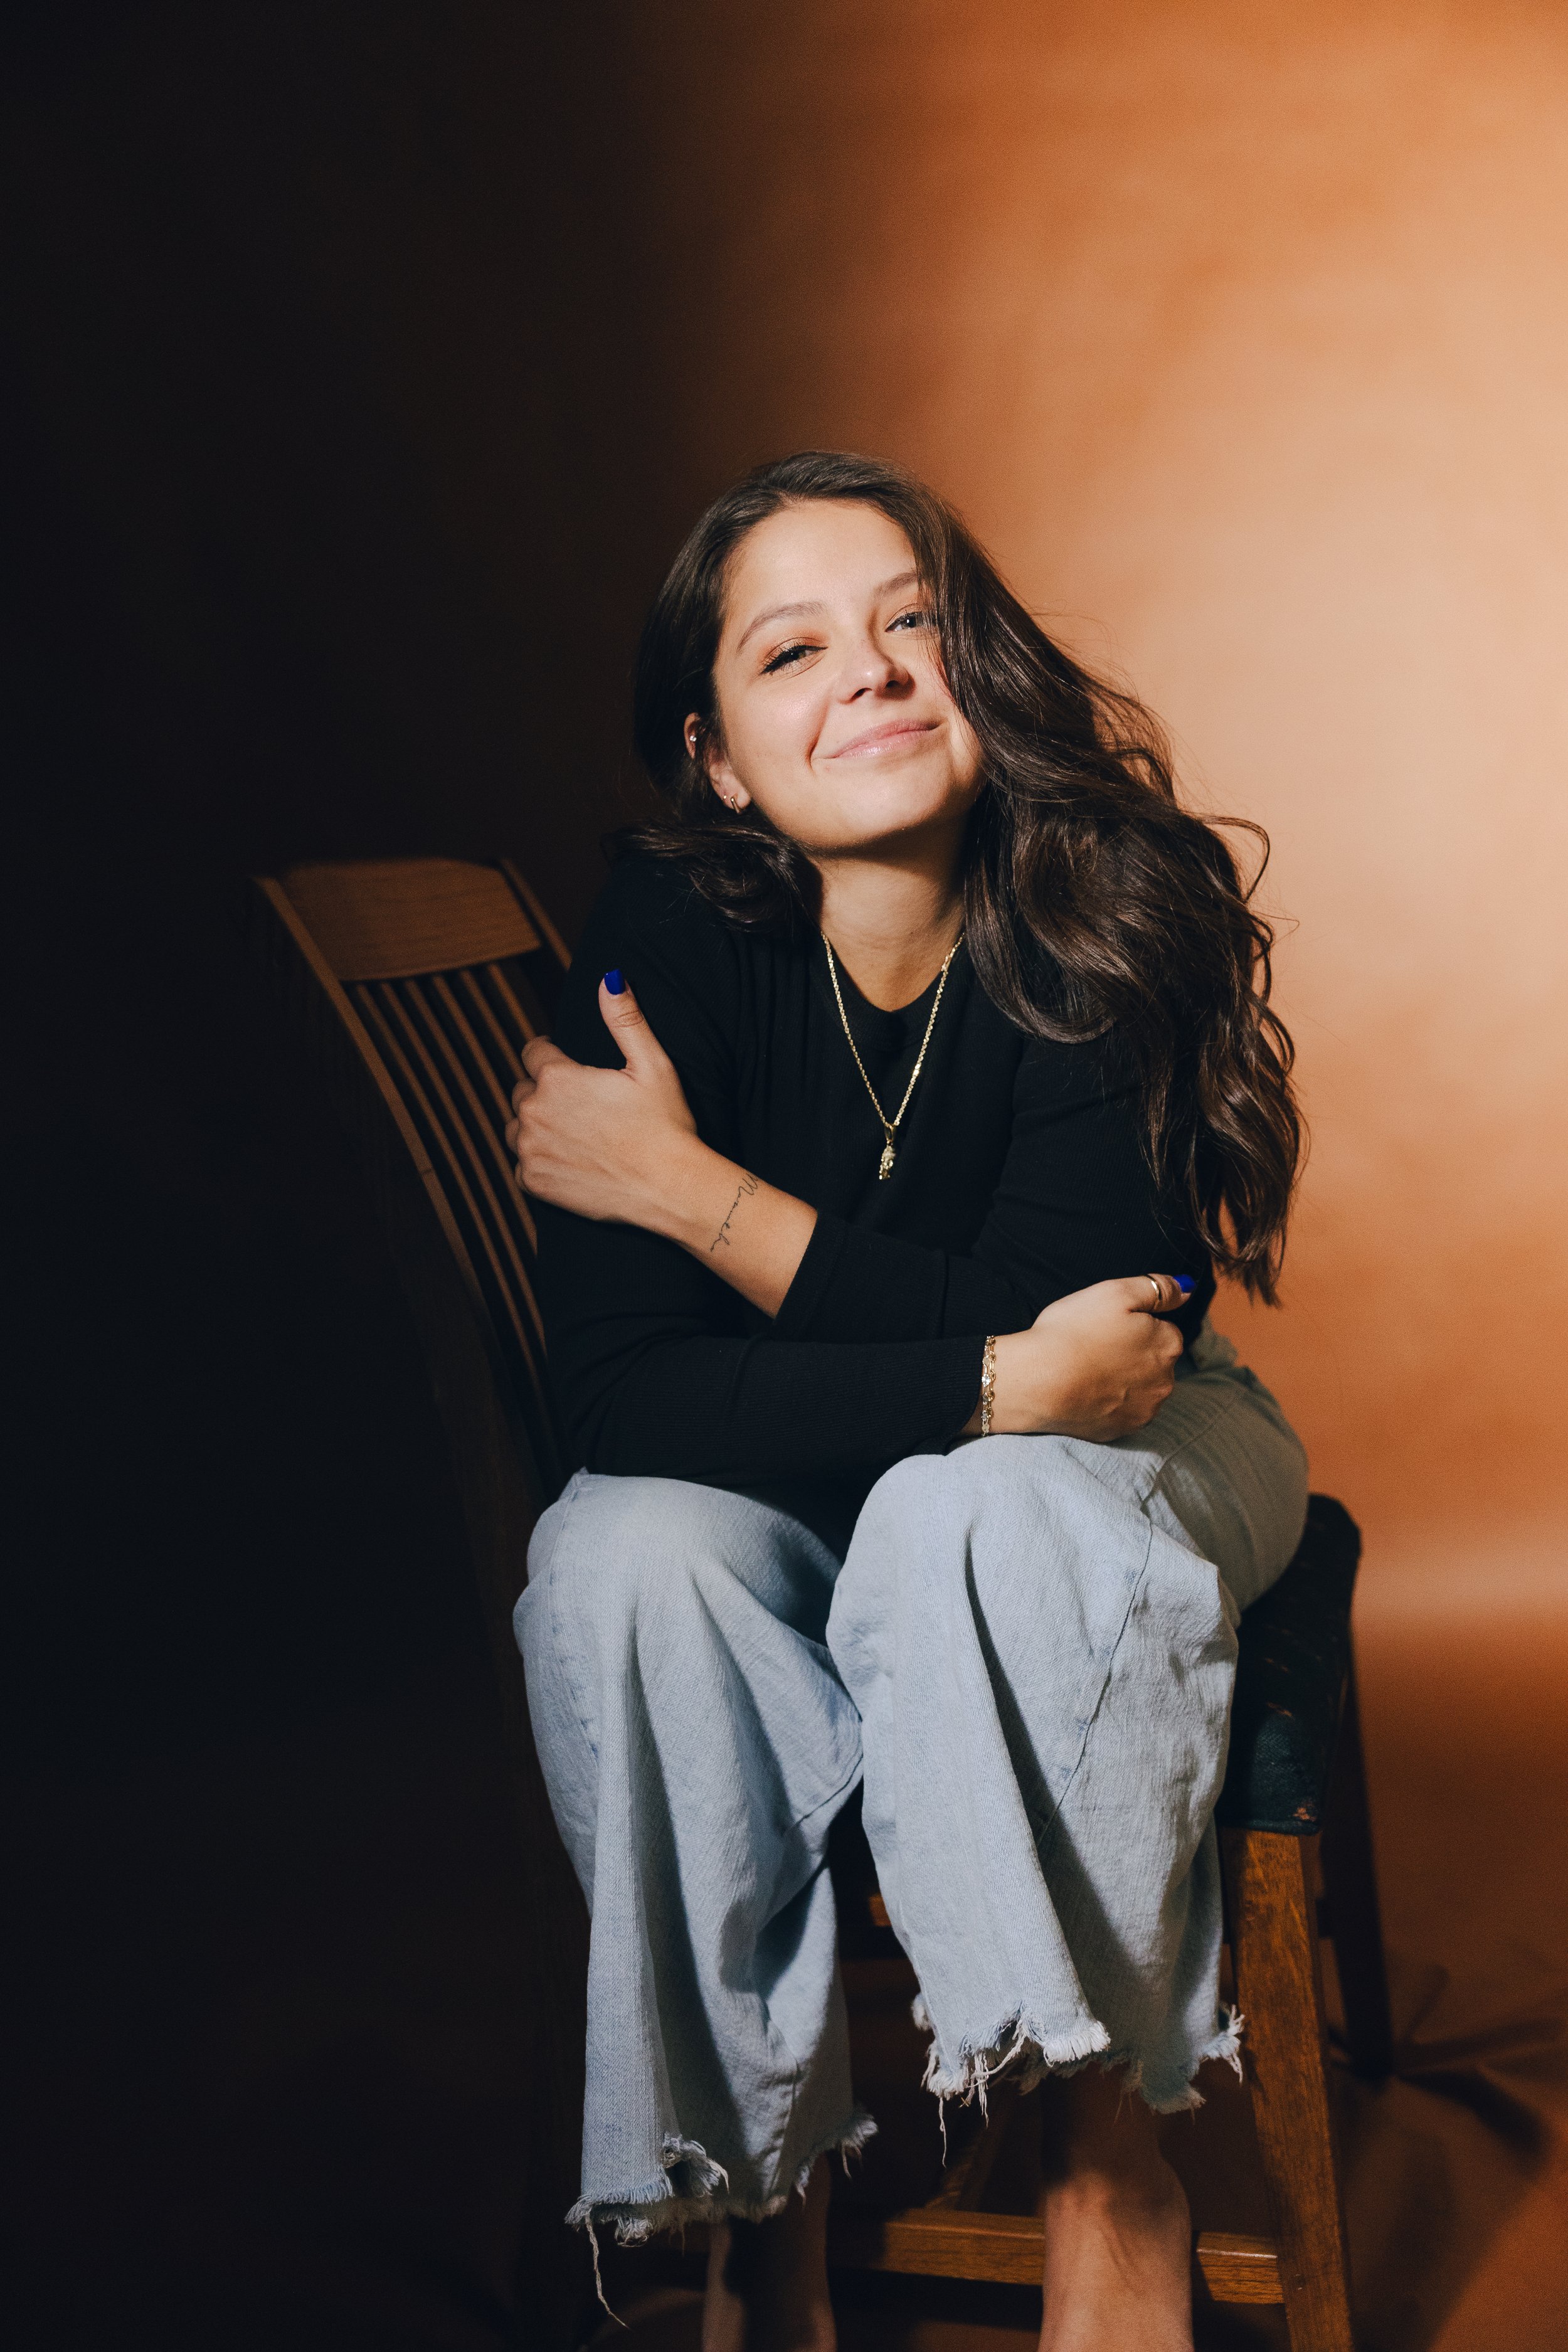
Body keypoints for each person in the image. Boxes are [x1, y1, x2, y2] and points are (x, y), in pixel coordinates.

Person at [506, 451, 1307, 2352]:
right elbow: (617, 1394)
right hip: (823, 1469)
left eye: (910, 622)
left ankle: (1110, 2164)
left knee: (981, 1507)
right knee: (623, 1559)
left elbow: (1102, 1356)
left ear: (978, 668)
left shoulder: (1107, 900)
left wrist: (697, 1199)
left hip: (1141, 1444)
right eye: (789, 650)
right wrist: (988, 1373)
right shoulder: (663, 935)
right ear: (717, 758)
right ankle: (751, 2197)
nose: (865, 671)